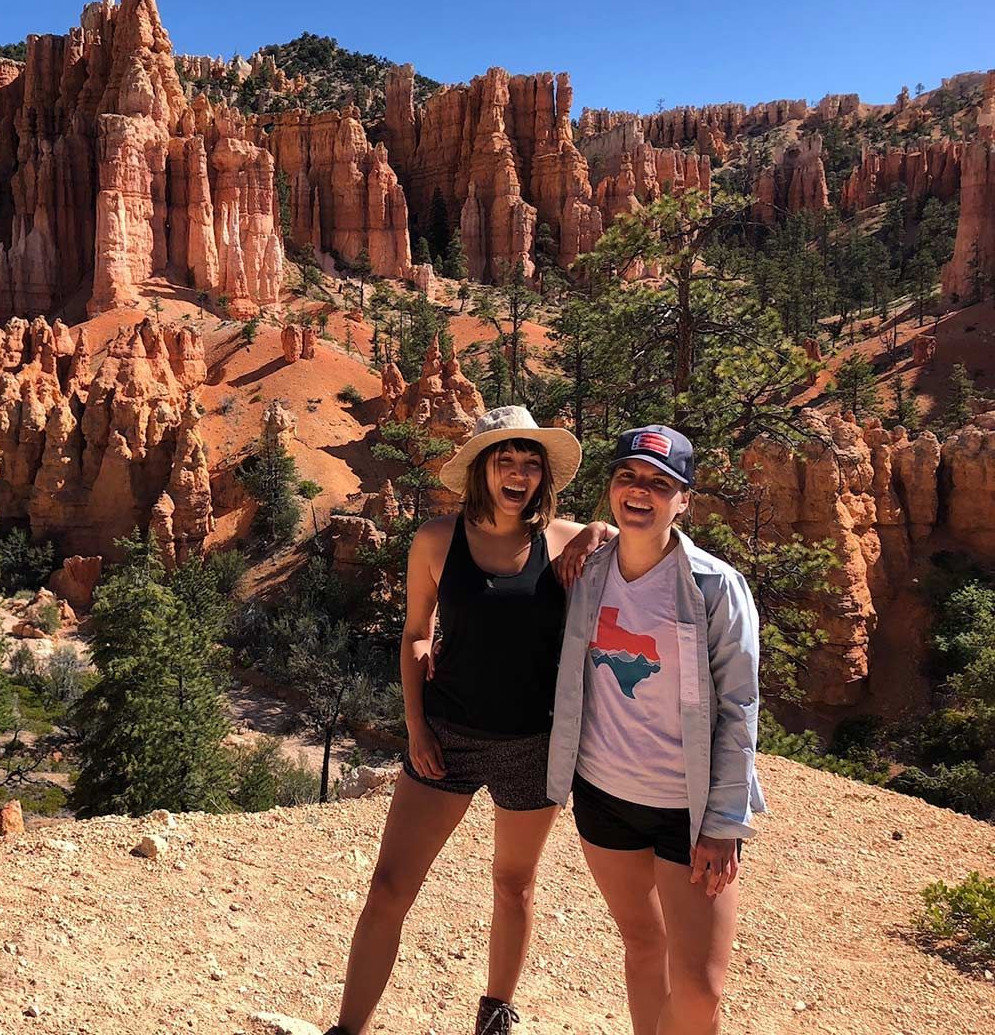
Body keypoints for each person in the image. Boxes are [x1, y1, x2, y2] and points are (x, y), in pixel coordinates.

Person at [326, 406, 614, 1035]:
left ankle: (494, 1019)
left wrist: (596, 527)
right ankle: (349, 1028)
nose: (518, 474)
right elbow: (414, 635)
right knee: (388, 887)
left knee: (514, 884)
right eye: (505, 461)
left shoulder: (566, 541)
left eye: (530, 463)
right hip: (448, 738)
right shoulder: (436, 539)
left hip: (533, 743)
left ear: (544, 475)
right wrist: (417, 726)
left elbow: (650, 543)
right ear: (482, 469)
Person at [546, 425, 764, 1035]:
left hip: (687, 811)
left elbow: (739, 705)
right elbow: (510, 530)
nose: (640, 492)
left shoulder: (715, 587)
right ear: (611, 489)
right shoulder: (588, 569)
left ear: (684, 499)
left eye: (659, 484)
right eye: (628, 478)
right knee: (643, 947)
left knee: (698, 991)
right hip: (602, 795)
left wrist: (724, 823)